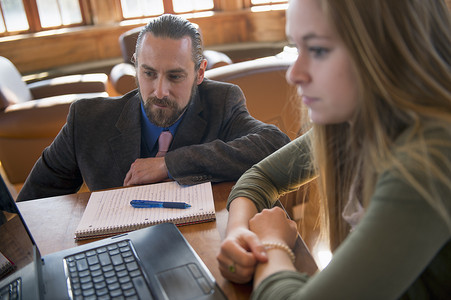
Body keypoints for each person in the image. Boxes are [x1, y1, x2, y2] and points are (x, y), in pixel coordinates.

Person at [217, 0, 451, 298]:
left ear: (385, 49)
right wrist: (239, 232)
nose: (294, 74)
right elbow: (259, 177)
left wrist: (271, 243)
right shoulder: (349, 124)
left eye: (318, 50)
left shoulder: (430, 159)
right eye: (297, 48)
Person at [17, 14, 290, 201]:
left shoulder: (222, 101)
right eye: (148, 73)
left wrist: (169, 164)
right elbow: (31, 206)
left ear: (200, 73)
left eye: (175, 76)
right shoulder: (85, 120)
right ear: (136, 65)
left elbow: (276, 144)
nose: (160, 91)